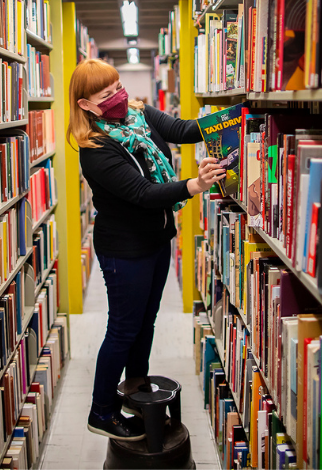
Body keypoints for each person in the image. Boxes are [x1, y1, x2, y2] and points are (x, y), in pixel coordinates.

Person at [67, 58, 226, 441]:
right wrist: (193, 185)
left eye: (119, 86)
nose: (120, 96)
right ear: (86, 105)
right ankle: (101, 412)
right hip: (125, 250)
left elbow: (185, 129)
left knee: (146, 321)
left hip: (157, 240)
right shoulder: (95, 150)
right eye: (108, 94)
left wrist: (234, 118)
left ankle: (135, 388)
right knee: (123, 329)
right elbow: (142, 194)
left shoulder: (138, 115)